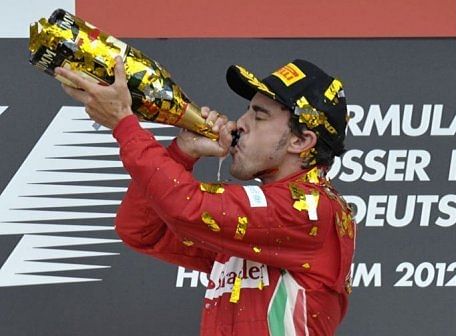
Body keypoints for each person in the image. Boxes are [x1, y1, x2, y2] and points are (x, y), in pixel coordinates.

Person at [56, 57, 356, 335]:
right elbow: (142, 231)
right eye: (248, 111)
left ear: (301, 140)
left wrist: (125, 124)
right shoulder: (262, 231)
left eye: (259, 117)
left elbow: (187, 208)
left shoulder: (311, 210)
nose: (240, 123)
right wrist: (183, 151)